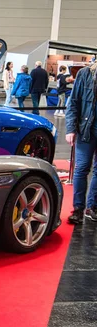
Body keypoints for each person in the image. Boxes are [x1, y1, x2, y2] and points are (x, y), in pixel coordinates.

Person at [65, 63, 97, 223]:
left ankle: (93, 207)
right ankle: (78, 209)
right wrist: (70, 129)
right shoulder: (85, 74)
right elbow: (73, 103)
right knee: (81, 168)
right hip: (86, 131)